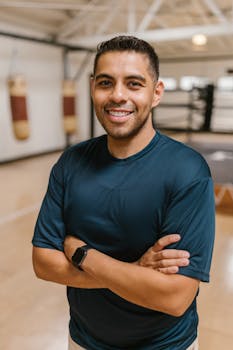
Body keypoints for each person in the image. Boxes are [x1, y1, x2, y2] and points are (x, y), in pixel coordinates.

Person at [32, 35, 215, 350]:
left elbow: (174, 297)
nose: (117, 95)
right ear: (92, 88)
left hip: (166, 345)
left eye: (133, 84)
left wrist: (82, 254)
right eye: (106, 83)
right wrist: (134, 272)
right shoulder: (70, 162)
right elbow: (43, 263)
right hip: (83, 341)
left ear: (156, 93)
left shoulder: (187, 171)